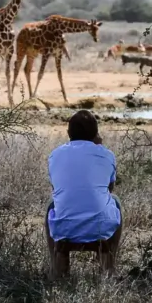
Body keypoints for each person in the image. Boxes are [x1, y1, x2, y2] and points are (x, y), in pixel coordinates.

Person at [44, 109, 122, 278]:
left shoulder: (55, 155)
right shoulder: (106, 154)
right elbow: (109, 189)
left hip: (64, 229)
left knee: (52, 205)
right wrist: (98, 146)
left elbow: (56, 187)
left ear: (68, 133)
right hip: (101, 229)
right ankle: (109, 268)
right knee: (115, 201)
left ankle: (56, 269)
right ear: (96, 133)